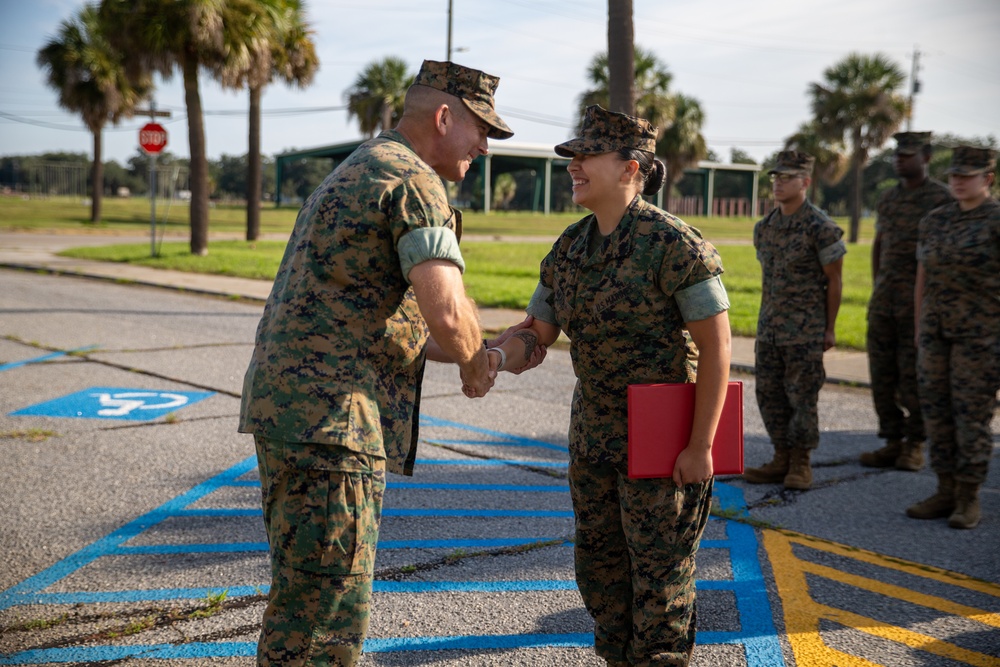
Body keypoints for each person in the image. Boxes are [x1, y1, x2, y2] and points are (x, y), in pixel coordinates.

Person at [238, 59, 537, 666]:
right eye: (480, 126)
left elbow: (372, 317)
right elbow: (448, 314)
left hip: (296, 415)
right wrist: (480, 360)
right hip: (334, 426)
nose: (484, 143)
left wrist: (478, 350)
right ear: (444, 116)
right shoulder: (414, 181)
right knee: (324, 623)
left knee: (302, 604)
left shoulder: (362, 167)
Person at [483, 105, 732, 666]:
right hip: (593, 437)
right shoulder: (570, 248)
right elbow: (538, 332)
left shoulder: (675, 246)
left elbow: (718, 348)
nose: (573, 165)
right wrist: (495, 356)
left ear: (630, 168)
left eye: (586, 155)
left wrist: (701, 445)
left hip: (662, 441)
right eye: (572, 156)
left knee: (660, 578)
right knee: (599, 571)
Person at [907, 145, 999, 530]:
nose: (959, 182)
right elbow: (923, 277)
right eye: (954, 176)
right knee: (937, 412)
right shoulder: (935, 220)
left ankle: (968, 496)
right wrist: (918, 327)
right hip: (935, 332)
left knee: (971, 415)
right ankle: (944, 489)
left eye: (967, 176)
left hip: (981, 336)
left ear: (988, 179)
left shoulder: (996, 221)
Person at [744, 151, 846, 491]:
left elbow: (834, 281)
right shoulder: (765, 228)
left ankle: (801, 462)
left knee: (802, 397)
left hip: (805, 330)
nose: (778, 183)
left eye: (786, 178)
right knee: (769, 395)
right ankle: (780, 457)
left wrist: (829, 328)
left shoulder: (821, 228)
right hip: (770, 328)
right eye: (775, 177)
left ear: (805, 182)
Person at [860, 132, 952, 471]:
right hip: (885, 298)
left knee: (914, 375)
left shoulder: (941, 199)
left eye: (908, 154)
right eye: (897, 154)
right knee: (882, 374)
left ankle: (915, 443)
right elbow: (879, 243)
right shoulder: (888, 198)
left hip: (920, 301)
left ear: (926, 157)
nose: (900, 159)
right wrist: (877, 285)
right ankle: (892, 440)